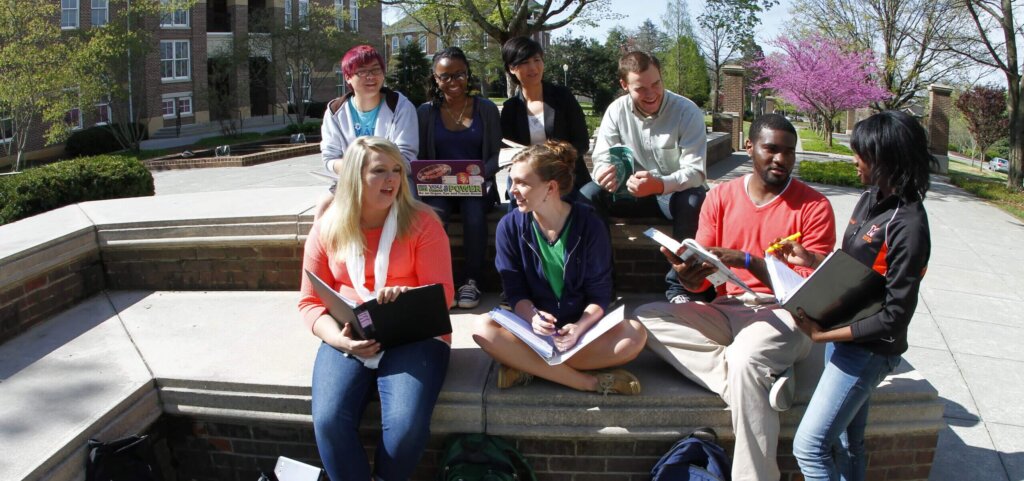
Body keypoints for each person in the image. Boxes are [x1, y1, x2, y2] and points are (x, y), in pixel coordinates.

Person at [635, 114, 837, 481]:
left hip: (785, 314)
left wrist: (748, 261)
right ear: (749, 147)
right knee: (647, 317)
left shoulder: (814, 207)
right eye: (771, 149)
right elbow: (704, 281)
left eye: (789, 152)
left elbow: (810, 293)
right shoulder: (720, 197)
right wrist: (690, 277)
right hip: (727, 309)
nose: (781, 159)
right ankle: (762, 379)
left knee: (746, 358)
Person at [780, 110, 933, 481]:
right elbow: (853, 267)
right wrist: (811, 259)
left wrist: (821, 336)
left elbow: (895, 317)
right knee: (849, 442)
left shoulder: (909, 226)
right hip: (842, 336)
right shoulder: (869, 198)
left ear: (886, 159)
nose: (854, 160)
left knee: (809, 448)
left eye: (861, 154)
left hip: (869, 351)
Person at [297, 137, 454, 481]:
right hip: (349, 333)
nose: (392, 179)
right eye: (379, 171)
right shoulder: (327, 227)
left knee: (404, 425)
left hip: (414, 333)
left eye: (396, 170)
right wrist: (339, 341)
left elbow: (443, 294)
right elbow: (309, 302)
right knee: (328, 421)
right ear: (355, 177)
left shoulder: (423, 222)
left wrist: (408, 295)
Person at [472, 141, 647, 395]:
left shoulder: (589, 224)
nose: (512, 191)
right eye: (511, 181)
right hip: (532, 331)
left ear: (551, 187)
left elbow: (600, 294)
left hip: (580, 333)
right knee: (483, 328)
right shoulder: (509, 226)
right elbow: (514, 291)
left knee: (635, 335)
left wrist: (579, 327)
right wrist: (533, 317)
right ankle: (587, 382)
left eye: (522, 183)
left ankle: (526, 365)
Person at [582, 51, 708, 303]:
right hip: (629, 192)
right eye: (640, 88)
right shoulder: (616, 111)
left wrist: (659, 184)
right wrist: (604, 174)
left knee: (694, 199)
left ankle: (679, 287)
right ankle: (602, 285)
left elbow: (696, 172)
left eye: (656, 84)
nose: (651, 94)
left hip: (672, 194)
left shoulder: (686, 111)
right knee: (587, 196)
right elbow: (601, 158)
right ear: (624, 85)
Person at [417, 47, 502, 309]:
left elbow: (495, 155)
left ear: (468, 74)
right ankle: (439, 283)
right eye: (445, 76)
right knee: (434, 215)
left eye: (459, 74)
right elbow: (420, 157)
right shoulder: (425, 112)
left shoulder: (486, 109)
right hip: (439, 189)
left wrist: (478, 175)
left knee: (473, 211)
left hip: (477, 187)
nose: (453, 81)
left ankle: (471, 281)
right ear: (435, 79)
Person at [316, 45, 419, 217]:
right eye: (362, 71)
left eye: (376, 70)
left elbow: (407, 158)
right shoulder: (335, 111)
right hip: (352, 180)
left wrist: (376, 173)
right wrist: (361, 172)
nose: (371, 76)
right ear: (348, 77)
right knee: (323, 208)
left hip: (394, 180)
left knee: (403, 211)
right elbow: (330, 159)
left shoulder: (400, 107)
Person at [500, 36, 592, 205]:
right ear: (512, 68)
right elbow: (507, 150)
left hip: (566, 176)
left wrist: (556, 155)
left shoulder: (563, 97)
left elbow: (582, 143)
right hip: (528, 178)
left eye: (537, 60)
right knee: (517, 196)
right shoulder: (510, 108)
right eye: (525, 62)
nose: (533, 67)